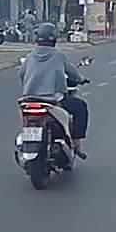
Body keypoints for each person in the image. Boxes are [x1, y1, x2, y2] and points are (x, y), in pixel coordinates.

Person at [20, 23, 89, 159]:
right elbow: (72, 73)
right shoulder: (58, 56)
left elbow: (22, 74)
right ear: (54, 39)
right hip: (53, 98)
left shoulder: (30, 56)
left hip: (30, 98)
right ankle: (77, 143)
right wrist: (81, 79)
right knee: (81, 107)